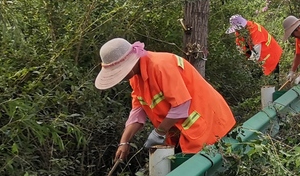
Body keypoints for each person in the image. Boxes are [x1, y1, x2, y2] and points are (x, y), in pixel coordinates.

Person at [96, 38, 237, 163]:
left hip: (209, 124)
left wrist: (159, 132)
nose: (120, 78)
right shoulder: (135, 79)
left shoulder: (161, 66)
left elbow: (181, 106)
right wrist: (124, 141)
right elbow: (138, 111)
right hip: (185, 132)